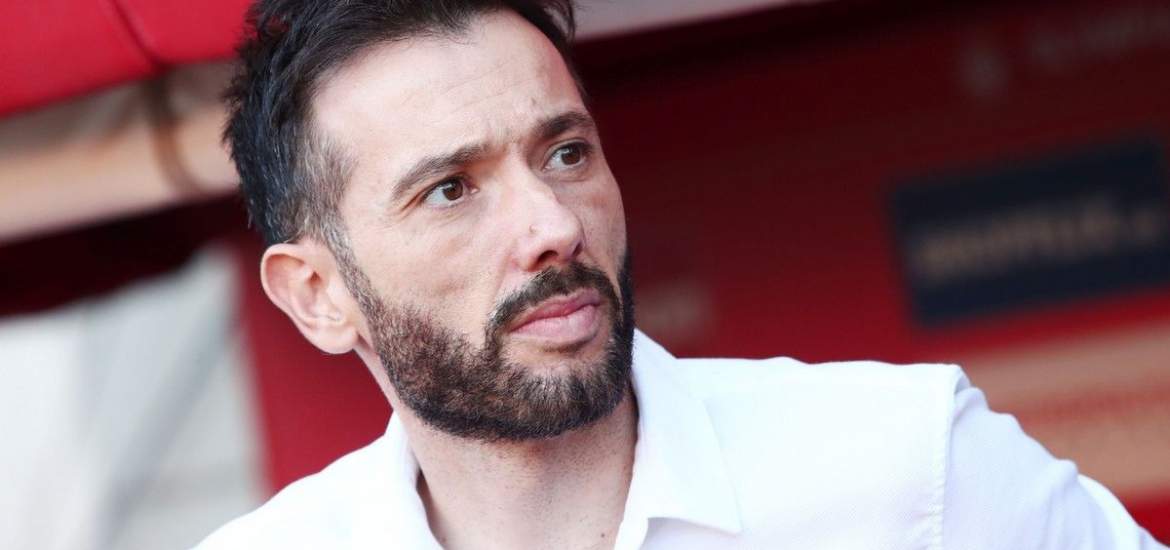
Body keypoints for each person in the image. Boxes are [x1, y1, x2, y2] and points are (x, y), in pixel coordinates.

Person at [198, 1, 1164, 548]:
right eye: (451, 190)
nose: (553, 226)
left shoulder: (911, 464)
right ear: (317, 295)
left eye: (566, 153)